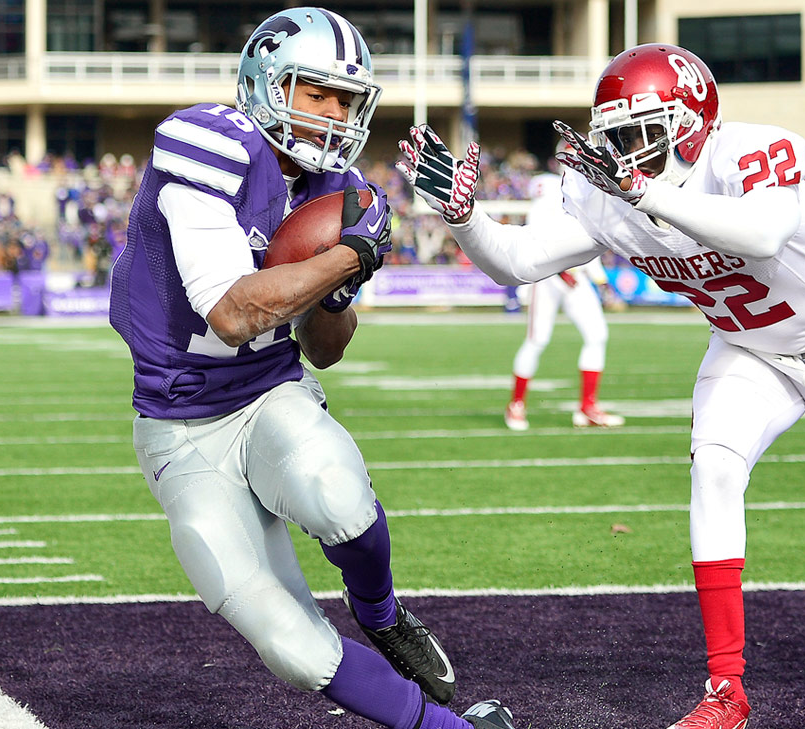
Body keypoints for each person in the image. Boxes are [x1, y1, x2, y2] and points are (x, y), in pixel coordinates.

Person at [398, 43, 805, 729]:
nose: (625, 150)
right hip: (748, 350)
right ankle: (727, 690)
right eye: (616, 135)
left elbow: (763, 234)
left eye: (641, 131)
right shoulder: (612, 192)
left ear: (691, 120)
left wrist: (646, 192)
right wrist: (465, 219)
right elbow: (516, 262)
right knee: (713, 469)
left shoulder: (754, 151)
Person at [107, 9, 517, 729]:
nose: (334, 114)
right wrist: (348, 256)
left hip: (268, 395)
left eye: (347, 100)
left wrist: (336, 287)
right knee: (293, 647)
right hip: (179, 429)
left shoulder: (338, 185)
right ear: (266, 82)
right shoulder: (209, 143)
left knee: (336, 493)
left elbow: (326, 344)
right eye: (316, 92)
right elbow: (233, 315)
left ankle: (383, 614)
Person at [505, 171, 625, 431]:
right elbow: (538, 242)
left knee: (597, 335)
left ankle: (587, 407)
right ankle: (516, 404)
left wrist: (599, 280)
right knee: (538, 339)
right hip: (549, 278)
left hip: (574, 275)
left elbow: (585, 243)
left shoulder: (571, 202)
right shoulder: (548, 204)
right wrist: (563, 270)